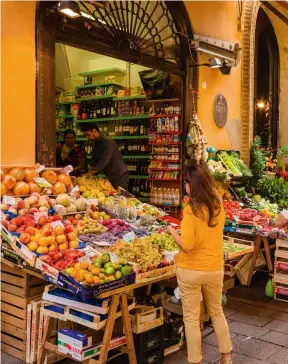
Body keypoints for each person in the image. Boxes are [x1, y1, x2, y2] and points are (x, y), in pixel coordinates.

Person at [167, 164, 233, 364]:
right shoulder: (218, 205)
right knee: (216, 311)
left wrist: (172, 231)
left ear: (192, 184)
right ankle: (226, 356)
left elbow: (187, 245)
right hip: (214, 267)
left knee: (191, 318)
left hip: (190, 270)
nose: (185, 186)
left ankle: (195, 360)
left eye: (186, 182)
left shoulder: (191, 210)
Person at [80, 123, 129, 190]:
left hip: (120, 176)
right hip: (110, 176)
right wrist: (89, 171)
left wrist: (90, 173)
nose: (87, 138)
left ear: (94, 131)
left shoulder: (108, 142)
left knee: (120, 197)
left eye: (88, 135)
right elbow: (94, 161)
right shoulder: (95, 145)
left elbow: (104, 160)